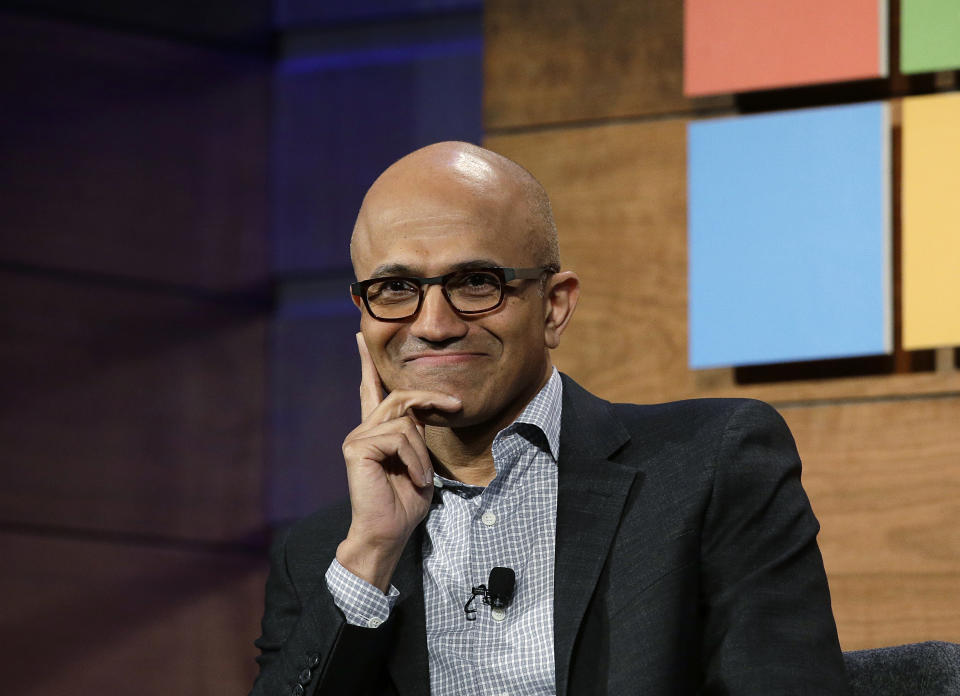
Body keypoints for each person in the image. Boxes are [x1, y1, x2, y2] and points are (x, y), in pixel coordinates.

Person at [250, 141, 851, 696]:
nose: (433, 325)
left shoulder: (709, 466)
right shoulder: (322, 557)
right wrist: (372, 555)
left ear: (554, 307)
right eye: (395, 287)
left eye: (476, 282)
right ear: (363, 312)